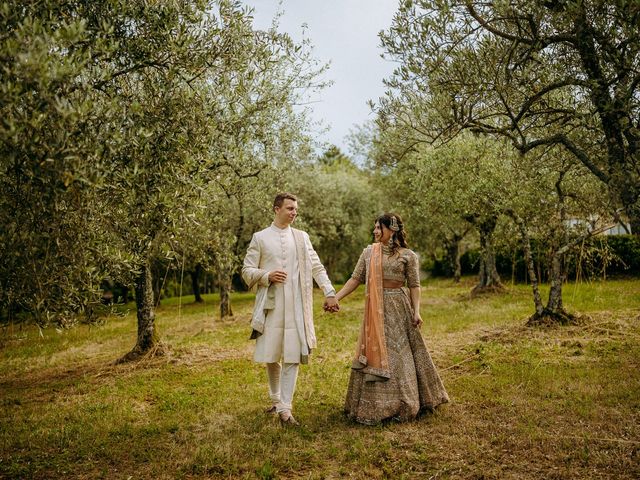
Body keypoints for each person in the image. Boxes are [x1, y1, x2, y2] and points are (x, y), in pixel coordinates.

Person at [333, 213, 449, 424]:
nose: (375, 231)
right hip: (374, 311)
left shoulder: (408, 255)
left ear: (392, 229)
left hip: (399, 308)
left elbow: (414, 285)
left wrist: (416, 311)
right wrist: (335, 297)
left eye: (379, 228)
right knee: (377, 351)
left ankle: (407, 402)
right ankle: (373, 407)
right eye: (375, 228)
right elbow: (355, 279)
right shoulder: (369, 253)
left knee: (401, 353)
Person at [242, 193, 339, 426]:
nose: (294, 212)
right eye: (289, 208)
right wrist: (266, 275)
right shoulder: (260, 238)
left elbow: (316, 265)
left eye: (295, 209)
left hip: (297, 305)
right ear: (276, 209)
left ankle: (285, 409)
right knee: (272, 354)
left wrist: (329, 291)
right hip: (272, 306)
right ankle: (275, 399)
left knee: (293, 354)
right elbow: (246, 271)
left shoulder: (302, 237)